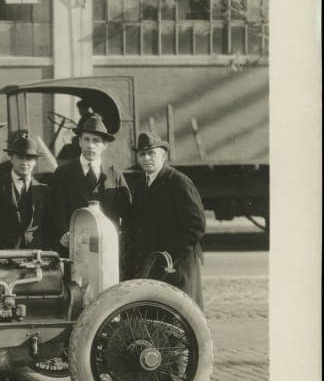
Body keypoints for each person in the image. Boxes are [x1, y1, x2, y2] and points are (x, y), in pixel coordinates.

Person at [114, 131, 207, 309]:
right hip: (158, 265)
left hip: (178, 265)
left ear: (163, 156)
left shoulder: (179, 182)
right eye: (142, 154)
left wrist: (169, 256)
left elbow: (196, 225)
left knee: (181, 317)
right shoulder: (143, 184)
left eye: (152, 153)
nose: (146, 158)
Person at [44, 114, 118, 256]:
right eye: (86, 139)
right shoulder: (62, 173)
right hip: (72, 248)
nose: (90, 145)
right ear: (79, 142)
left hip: (105, 249)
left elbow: (124, 213)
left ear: (105, 145)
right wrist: (62, 233)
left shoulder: (115, 174)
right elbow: (54, 208)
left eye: (96, 141)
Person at [0, 131, 50, 250]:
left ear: (35, 161)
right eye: (20, 157)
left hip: (35, 257)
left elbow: (48, 229)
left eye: (30, 158)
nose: (25, 163)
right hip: (2, 258)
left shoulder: (44, 190)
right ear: (11, 158)